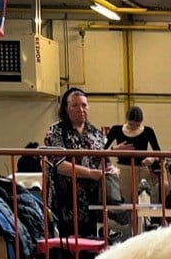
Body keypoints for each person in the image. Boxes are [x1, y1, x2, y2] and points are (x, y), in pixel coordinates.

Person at [43, 87, 120, 236]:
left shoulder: (95, 132)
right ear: (66, 108)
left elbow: (105, 160)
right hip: (65, 199)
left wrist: (112, 170)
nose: (81, 109)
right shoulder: (57, 131)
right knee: (67, 245)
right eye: (75, 105)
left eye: (84, 105)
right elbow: (59, 164)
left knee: (90, 242)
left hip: (92, 201)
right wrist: (90, 173)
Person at [105, 105, 162, 202]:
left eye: (137, 125)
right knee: (124, 203)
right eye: (131, 124)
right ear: (126, 120)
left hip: (142, 170)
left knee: (143, 202)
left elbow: (158, 152)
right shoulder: (116, 130)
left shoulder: (148, 131)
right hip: (122, 171)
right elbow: (101, 150)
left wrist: (152, 158)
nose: (133, 128)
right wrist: (114, 149)